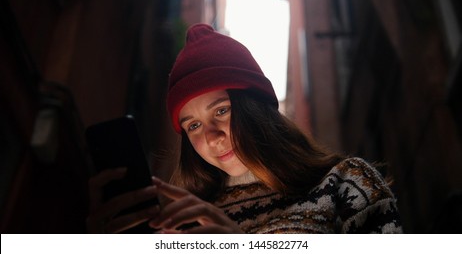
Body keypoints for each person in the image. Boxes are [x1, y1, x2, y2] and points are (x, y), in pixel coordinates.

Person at [86, 23, 402, 234]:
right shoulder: (180, 225)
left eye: (221, 110)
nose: (211, 137)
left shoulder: (346, 183)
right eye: (193, 125)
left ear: (257, 108)